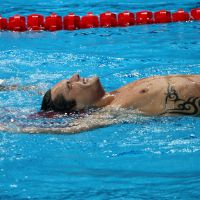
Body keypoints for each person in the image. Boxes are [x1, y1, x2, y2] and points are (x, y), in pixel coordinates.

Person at [1, 74, 200, 134]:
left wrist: (9, 87)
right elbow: (69, 129)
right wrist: (6, 127)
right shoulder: (113, 111)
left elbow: (38, 88)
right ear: (77, 106)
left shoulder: (116, 93)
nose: (76, 75)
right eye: (70, 85)